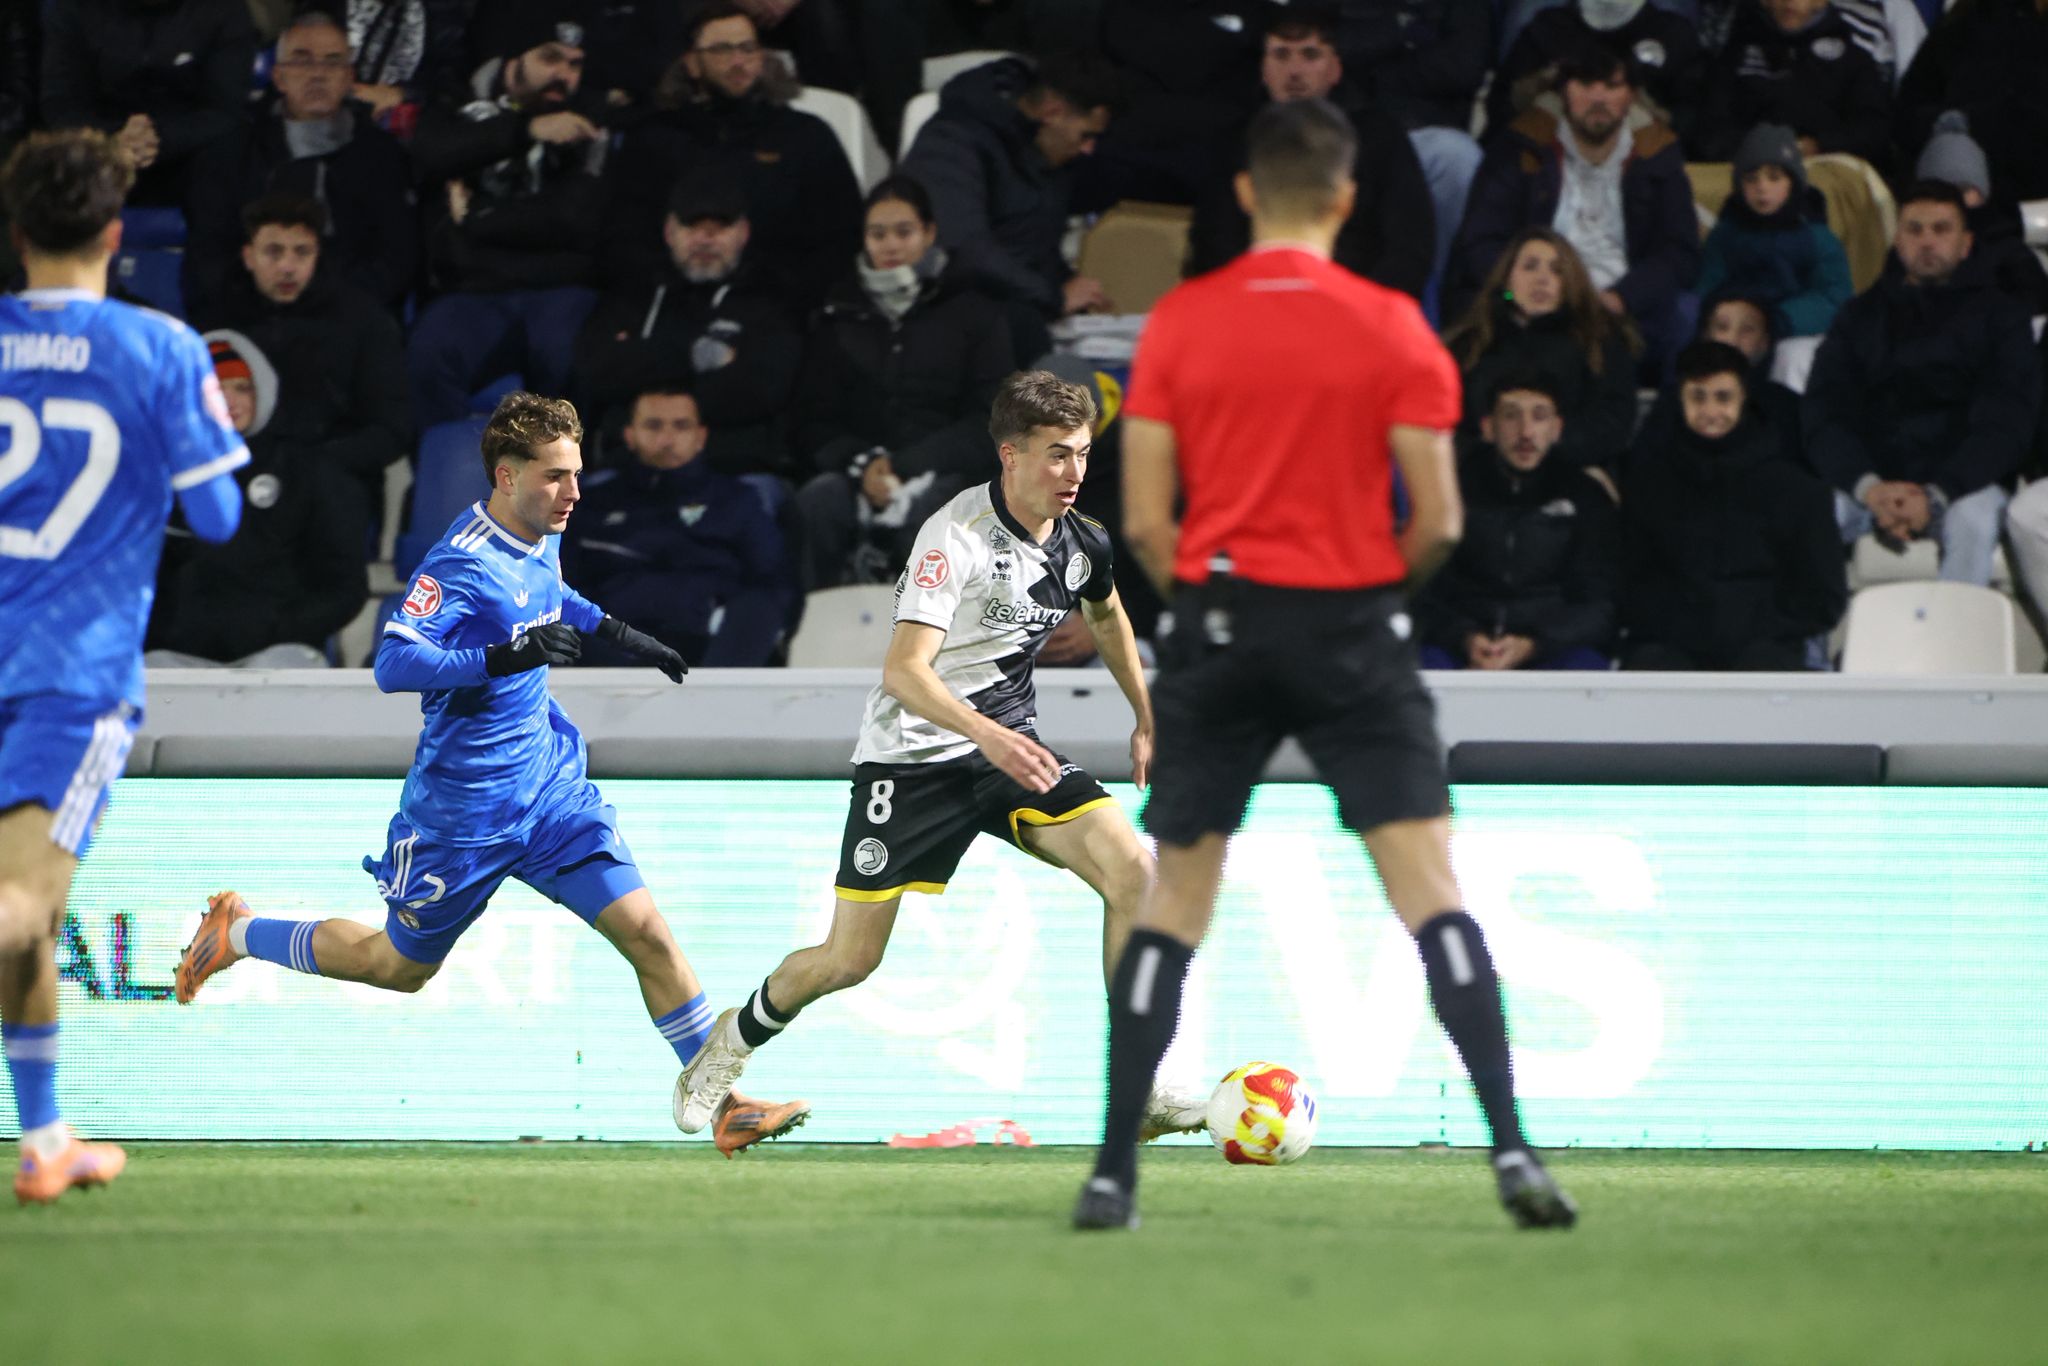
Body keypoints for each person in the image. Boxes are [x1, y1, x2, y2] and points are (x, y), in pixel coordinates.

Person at [1074, 99, 1576, 1232]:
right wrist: (1361, 605)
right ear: (1347, 202)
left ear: (1245, 195)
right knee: (1430, 896)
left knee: (1174, 904)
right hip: (1351, 627)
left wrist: (1213, 601)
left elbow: (1145, 525)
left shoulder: (1182, 326)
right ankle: (1509, 1152)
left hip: (1218, 626)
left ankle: (1113, 1172)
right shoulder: (1395, 324)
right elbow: (1439, 518)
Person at [172, 391, 809, 1156]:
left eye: (576, 473)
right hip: (462, 813)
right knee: (397, 966)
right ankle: (238, 933)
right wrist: (505, 657)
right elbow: (394, 663)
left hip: (547, 790)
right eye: (554, 477)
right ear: (506, 478)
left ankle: (726, 1105)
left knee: (647, 932)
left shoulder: (544, 529)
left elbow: (550, 593)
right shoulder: (458, 563)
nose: (574, 493)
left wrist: (617, 631)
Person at [672, 370, 1207, 1151]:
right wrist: (987, 735)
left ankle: (1144, 1085)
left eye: (1083, 455)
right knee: (848, 959)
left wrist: (1146, 717)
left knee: (1136, 873)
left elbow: (1108, 613)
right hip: (912, 759)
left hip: (1009, 751)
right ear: (1010, 456)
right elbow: (903, 672)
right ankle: (723, 1050)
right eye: (1056, 456)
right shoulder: (951, 538)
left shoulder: (1081, 539)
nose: (1073, 473)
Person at [0, 130, 251, 1203]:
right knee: (18, 907)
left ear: (17, 234)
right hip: (71, 675)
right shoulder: (159, 348)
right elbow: (220, 515)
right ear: (115, 234)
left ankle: (47, 1135)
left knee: (28, 921)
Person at [1804, 180, 2042, 586]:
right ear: (1897, 240)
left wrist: (1937, 494)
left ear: (1966, 243)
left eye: (1941, 229)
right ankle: (1804, 651)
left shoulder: (2002, 318)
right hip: (1873, 487)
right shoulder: (1858, 317)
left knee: (1973, 522)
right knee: (1806, 515)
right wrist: (1870, 488)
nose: (1927, 241)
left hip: (1965, 488)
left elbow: (2007, 424)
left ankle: (1956, 647)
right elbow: (1824, 415)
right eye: (1914, 229)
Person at [793, 176, 1015, 590]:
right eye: (877, 234)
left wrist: (906, 468)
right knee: (817, 503)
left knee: (934, 515)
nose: (890, 245)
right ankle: (813, 634)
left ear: (929, 233)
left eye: (903, 232)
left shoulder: (974, 307)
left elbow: (992, 415)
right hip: (861, 471)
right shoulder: (837, 312)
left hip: (949, 470)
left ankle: (925, 642)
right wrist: (864, 465)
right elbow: (812, 418)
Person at [407, 14, 609, 430]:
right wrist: (527, 130)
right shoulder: (458, 105)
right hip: (476, 292)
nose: (563, 75)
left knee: (567, 355)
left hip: (560, 289)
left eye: (574, 64)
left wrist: (476, 221)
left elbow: (571, 218)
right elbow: (431, 155)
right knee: (430, 349)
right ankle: (448, 479)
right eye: (551, 58)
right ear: (512, 59)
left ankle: (571, 482)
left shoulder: (589, 117)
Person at [1454, 44, 1700, 377]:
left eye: (1612, 86)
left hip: (1623, 307)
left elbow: (1678, 252)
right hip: (1530, 300)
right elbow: (1479, 244)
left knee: (1685, 313)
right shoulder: (1519, 146)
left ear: (1631, 96)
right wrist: (1520, 292)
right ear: (1563, 92)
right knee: (1470, 305)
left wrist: (1621, 299)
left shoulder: (1658, 153)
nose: (1598, 98)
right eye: (1585, 85)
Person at [603, 3, 863, 311]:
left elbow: (841, 238)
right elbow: (622, 237)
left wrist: (781, 289)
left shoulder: (804, 136)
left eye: (747, 48)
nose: (738, 61)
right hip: (671, 306)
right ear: (692, 63)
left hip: (778, 308)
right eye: (722, 50)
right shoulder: (654, 139)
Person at [187, 193, 411, 532]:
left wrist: (312, 467)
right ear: (248, 256)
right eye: (273, 252)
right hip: (238, 479)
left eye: (301, 252)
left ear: (317, 255)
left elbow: (392, 428)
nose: (287, 266)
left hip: (330, 487)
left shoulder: (364, 322)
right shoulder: (216, 323)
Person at [144, 332, 368, 667]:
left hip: (279, 651)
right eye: (217, 389)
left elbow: (345, 584)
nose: (230, 401)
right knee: (152, 671)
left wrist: (283, 628)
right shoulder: (160, 475)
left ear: (262, 391)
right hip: (178, 653)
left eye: (242, 388)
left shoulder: (307, 472)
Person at [1619, 341, 1846, 669]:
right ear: (1679, 400)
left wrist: (1749, 627)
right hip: (1671, 647)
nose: (1710, 412)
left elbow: (1823, 596)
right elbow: (1631, 582)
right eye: (1698, 397)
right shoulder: (1648, 482)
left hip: (1765, 647)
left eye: (1723, 397)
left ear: (1744, 400)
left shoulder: (1797, 489)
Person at [1187, 5, 1435, 299]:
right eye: (1280, 55)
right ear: (1264, 69)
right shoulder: (1236, 141)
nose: (1294, 71)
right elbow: (1214, 246)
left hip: (1357, 314)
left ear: (1335, 68)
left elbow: (1408, 248)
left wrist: (1361, 309)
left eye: (1310, 55)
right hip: (1254, 311)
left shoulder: (1380, 137)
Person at [184, 9, 419, 316]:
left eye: (333, 61)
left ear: (349, 78)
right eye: (302, 60)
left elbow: (396, 260)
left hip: (350, 323)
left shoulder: (381, 155)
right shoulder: (231, 153)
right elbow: (209, 257)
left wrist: (332, 311)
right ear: (278, 77)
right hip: (252, 318)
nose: (318, 73)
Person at [571, 176, 805, 483]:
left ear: (744, 233)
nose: (705, 239)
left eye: (720, 227)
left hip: (735, 469)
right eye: (692, 225)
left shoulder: (770, 301)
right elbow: (595, 370)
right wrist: (696, 356)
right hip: (627, 469)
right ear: (669, 231)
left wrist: (646, 368)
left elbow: (759, 392)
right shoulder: (634, 295)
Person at [901, 52, 1121, 357]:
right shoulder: (952, 142)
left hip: (1019, 315)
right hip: (951, 325)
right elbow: (961, 249)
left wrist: (1065, 282)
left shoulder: (1045, 152)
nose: (1088, 149)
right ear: (1052, 112)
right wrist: (1052, 296)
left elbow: (1032, 241)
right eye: (1085, 135)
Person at [562, 385, 794, 667]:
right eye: (653, 425)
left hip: (711, 655)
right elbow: (563, 586)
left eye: (681, 426)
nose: (667, 438)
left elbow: (772, 583)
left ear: (700, 436)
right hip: (610, 654)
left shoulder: (736, 501)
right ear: (630, 435)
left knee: (760, 607)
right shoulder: (591, 504)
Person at [1416, 374, 1620, 669]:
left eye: (1539, 417)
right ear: (1488, 428)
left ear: (1556, 428)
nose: (1526, 432)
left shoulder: (1586, 496)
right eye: (1511, 417)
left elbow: (1601, 604)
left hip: (1552, 646)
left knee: (1585, 670)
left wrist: (1535, 644)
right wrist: (1465, 637)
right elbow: (1425, 592)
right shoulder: (1452, 490)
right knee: (1423, 668)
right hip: (1462, 645)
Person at [1443, 227, 1638, 473]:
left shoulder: (1601, 340)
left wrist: (1545, 446)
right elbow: (1447, 425)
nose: (1542, 278)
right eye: (1530, 266)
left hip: (1569, 474)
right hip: (1480, 479)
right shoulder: (1469, 342)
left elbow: (1612, 422)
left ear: (1570, 283)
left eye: (1556, 271)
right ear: (1506, 279)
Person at [1325, 0, 1493, 284]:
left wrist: (1377, 69)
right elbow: (1327, 45)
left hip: (1423, 132)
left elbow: (1464, 67)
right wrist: (1401, 31)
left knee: (1459, 157)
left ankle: (1436, 288)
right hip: (1348, 131)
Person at [38, 0, 257, 208]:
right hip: (100, 148)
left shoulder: (223, 7)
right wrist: (114, 139)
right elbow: (62, 105)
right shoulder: (75, 6)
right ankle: (72, 247)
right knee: (61, 153)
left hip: (188, 149)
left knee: (229, 147)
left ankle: (213, 248)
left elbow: (226, 109)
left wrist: (158, 137)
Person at [1695, 125, 1855, 340]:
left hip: (1792, 331)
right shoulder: (1726, 234)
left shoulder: (1817, 238)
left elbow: (1834, 298)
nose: (1762, 187)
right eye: (1751, 179)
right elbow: (1708, 284)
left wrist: (1778, 319)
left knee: (1792, 357)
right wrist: (1717, 312)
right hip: (1735, 328)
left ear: (1793, 183)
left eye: (1774, 177)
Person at [1693, 0, 1892, 168]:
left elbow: (1873, 130)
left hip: (1826, 167)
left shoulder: (1852, 58)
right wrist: (1762, 149)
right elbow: (1710, 128)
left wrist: (1819, 144)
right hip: (1745, 169)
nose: (1789, 2)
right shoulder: (1736, 54)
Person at [1489, 0, 1704, 140]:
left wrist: (1648, 114)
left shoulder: (1673, 33)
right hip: (1548, 166)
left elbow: (1692, 120)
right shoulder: (1547, 27)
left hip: (1643, 169)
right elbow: (1501, 109)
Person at [1913, 113, 2048, 317]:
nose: (1955, 199)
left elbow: (2031, 308)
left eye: (1965, 189)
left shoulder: (2010, 252)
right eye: (1943, 190)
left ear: (1982, 193)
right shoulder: (1907, 251)